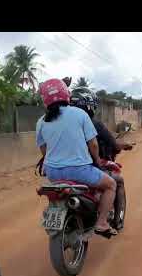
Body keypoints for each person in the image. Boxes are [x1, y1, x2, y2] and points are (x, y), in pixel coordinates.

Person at [36, 78, 117, 235]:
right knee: (111, 185)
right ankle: (101, 222)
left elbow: (43, 149)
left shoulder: (41, 121)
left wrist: (51, 163)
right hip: (79, 171)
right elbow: (93, 145)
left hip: (53, 173)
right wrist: (97, 161)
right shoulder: (80, 114)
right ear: (66, 94)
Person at [70, 86, 132, 229]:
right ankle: (112, 220)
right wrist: (122, 146)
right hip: (87, 167)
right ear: (89, 105)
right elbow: (109, 144)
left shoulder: (64, 122)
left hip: (63, 168)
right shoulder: (93, 123)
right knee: (117, 181)